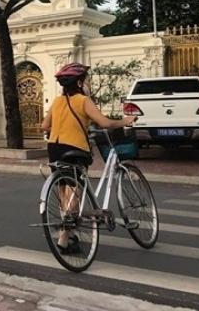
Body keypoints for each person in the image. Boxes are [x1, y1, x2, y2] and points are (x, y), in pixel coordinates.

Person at [41, 63, 137, 253]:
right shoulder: (83, 101)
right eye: (86, 81)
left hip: (55, 147)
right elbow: (104, 123)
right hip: (75, 148)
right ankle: (64, 237)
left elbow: (45, 126)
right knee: (76, 192)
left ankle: (70, 233)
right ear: (79, 82)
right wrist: (124, 121)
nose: (88, 84)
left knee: (64, 191)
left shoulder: (57, 102)